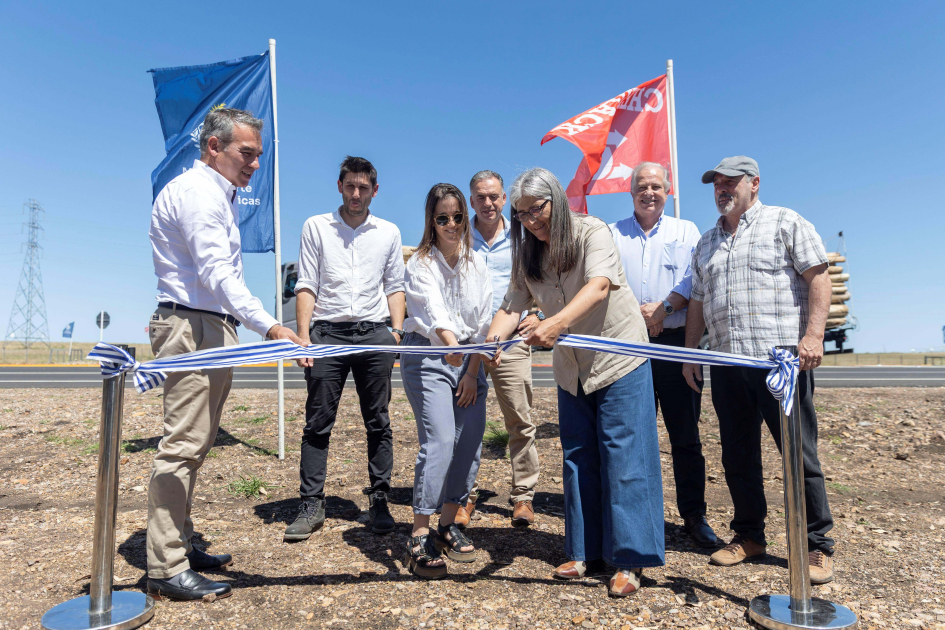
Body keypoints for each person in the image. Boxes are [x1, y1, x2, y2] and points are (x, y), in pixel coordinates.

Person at [147, 108, 303, 601]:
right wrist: (272, 325)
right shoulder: (198, 195)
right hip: (191, 327)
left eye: (258, 154)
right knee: (182, 447)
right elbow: (217, 274)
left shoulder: (217, 194)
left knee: (197, 443)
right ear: (214, 147)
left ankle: (180, 542)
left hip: (210, 327)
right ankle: (166, 567)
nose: (255, 163)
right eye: (247, 153)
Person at [486, 168, 664, 598]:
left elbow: (600, 286)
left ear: (558, 201)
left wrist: (556, 324)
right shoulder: (527, 253)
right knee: (578, 456)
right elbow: (512, 306)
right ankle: (584, 552)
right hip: (572, 371)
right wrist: (490, 342)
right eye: (522, 214)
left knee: (625, 456)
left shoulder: (591, 231)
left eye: (537, 209)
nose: (531, 220)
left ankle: (630, 560)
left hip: (619, 359)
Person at [682, 156, 836, 583]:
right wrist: (692, 353)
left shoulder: (785, 222)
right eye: (716, 184)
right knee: (736, 454)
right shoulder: (707, 242)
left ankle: (817, 545)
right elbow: (697, 301)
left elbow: (818, 277)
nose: (722, 189)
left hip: (781, 362)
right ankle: (749, 535)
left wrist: (814, 336)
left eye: (731, 182)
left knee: (797, 452)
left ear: (754, 183)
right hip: (729, 363)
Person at [285, 156, 406, 541]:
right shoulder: (316, 227)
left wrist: (397, 333)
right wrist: (303, 336)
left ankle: (380, 500)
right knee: (318, 421)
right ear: (340, 186)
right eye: (350, 186)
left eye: (363, 187)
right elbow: (306, 283)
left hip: (375, 335)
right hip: (326, 335)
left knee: (379, 421)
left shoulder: (388, 232)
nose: (356, 194)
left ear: (374, 190)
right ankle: (311, 503)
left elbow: (394, 285)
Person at [609, 162, 716, 548]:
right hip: (629, 347)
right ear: (631, 191)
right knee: (632, 437)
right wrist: (637, 318)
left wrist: (664, 309)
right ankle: (636, 516)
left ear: (667, 192)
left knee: (685, 437)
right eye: (642, 186)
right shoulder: (612, 234)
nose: (649, 192)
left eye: (656, 186)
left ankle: (694, 516)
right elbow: (606, 280)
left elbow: (694, 277)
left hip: (674, 345)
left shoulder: (686, 231)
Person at [400, 183, 493, 579]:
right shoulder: (419, 264)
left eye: (458, 216)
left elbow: (486, 320)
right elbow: (432, 310)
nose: (452, 224)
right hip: (428, 353)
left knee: (469, 441)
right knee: (439, 440)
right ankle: (419, 531)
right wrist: (449, 342)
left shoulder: (478, 263)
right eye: (443, 218)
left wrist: (472, 369)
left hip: (468, 359)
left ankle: (449, 521)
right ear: (431, 221)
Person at [456, 170, 540, 528]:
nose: (488, 203)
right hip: (466, 342)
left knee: (519, 419)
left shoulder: (524, 235)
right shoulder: (457, 235)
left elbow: (541, 279)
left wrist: (537, 314)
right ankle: (463, 495)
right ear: (470, 200)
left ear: (504, 199)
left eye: (494, 196)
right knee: (465, 421)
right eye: (480, 197)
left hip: (512, 341)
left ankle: (523, 497)